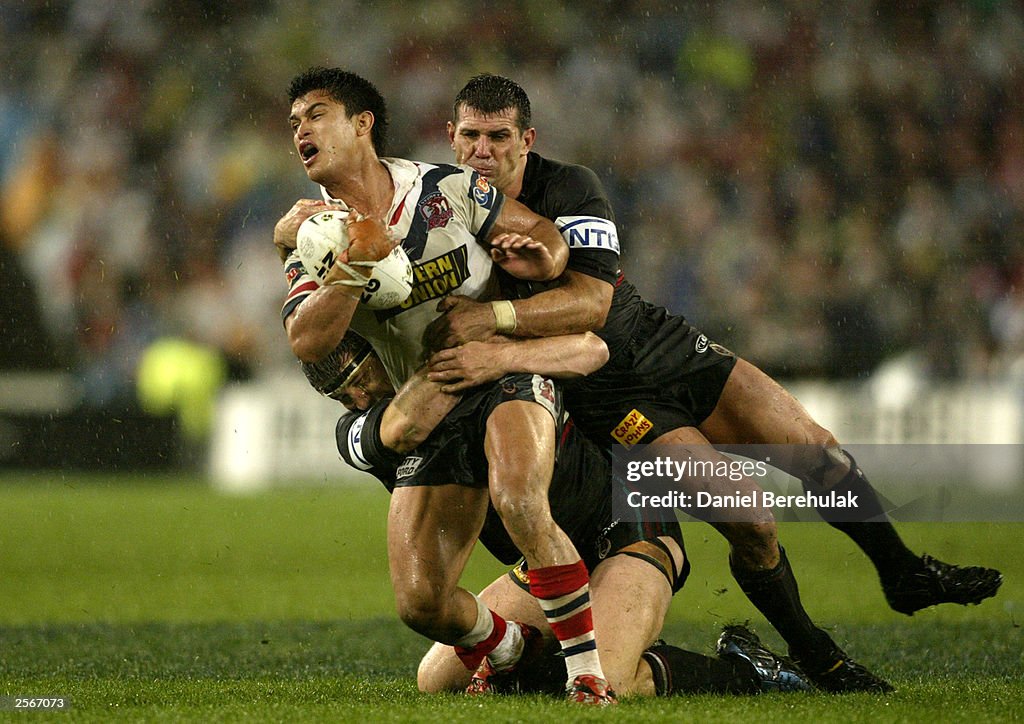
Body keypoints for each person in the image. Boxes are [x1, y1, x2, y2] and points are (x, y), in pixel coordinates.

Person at [421, 73, 1002, 690]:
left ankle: (903, 572)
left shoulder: (569, 187)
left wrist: (494, 316)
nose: (484, 150)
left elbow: (593, 303)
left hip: (656, 341)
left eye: (499, 136)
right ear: (451, 138)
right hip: (605, 395)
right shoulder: (441, 219)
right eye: (473, 136)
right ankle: (816, 655)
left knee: (814, 447)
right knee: (750, 517)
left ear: (527, 140)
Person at [277, 66, 611, 703]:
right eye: (294, 123)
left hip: (501, 372)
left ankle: (587, 675)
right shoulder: (314, 236)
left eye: (315, 115)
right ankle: (514, 650)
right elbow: (306, 341)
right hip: (427, 402)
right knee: (422, 603)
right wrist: (354, 270)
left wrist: (544, 253)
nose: (301, 131)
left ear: (362, 124)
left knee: (518, 498)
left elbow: (544, 237)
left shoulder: (443, 188)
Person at [303, 333, 813, 698]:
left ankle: (747, 671)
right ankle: (555, 651)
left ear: (382, 345)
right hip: (541, 568)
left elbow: (591, 348)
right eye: (337, 394)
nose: (355, 397)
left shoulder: (483, 364)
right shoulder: (363, 431)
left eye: (356, 375)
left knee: (609, 681)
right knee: (436, 679)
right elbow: (397, 430)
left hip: (625, 532)